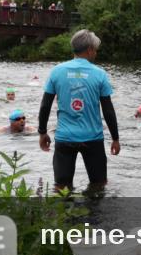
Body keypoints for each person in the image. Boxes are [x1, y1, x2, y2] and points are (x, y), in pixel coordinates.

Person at [37, 29, 120, 192]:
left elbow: (45, 105)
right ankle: (93, 217)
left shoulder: (57, 71)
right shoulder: (100, 74)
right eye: (95, 50)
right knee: (98, 186)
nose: (95, 53)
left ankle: (66, 217)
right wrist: (115, 138)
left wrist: (42, 132)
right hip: (92, 138)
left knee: (62, 189)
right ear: (89, 50)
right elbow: (108, 110)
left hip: (64, 138)